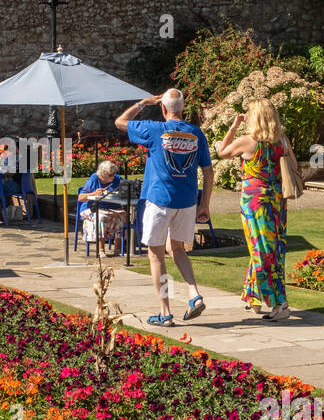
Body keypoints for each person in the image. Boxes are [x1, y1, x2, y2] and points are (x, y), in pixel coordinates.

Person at [115, 89, 214, 327]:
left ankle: (165, 312)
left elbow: (120, 122)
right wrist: (205, 204)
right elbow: (208, 171)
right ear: (183, 109)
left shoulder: (153, 129)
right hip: (187, 201)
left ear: (163, 108)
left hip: (159, 200)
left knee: (156, 254)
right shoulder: (196, 133)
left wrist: (142, 103)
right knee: (178, 249)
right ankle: (194, 293)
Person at [215, 98, 298, 322]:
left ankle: (279, 302)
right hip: (277, 202)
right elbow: (295, 167)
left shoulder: (247, 142)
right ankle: (253, 297)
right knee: (273, 250)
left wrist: (232, 127)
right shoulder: (282, 141)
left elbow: (222, 152)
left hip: (255, 204)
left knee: (261, 252)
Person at [78, 160, 125, 256]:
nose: (113, 176)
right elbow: (81, 197)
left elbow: (127, 186)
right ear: (103, 174)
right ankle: (101, 249)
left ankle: (117, 248)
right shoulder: (93, 180)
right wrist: (94, 193)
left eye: (114, 174)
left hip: (112, 207)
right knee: (101, 218)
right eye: (111, 175)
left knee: (122, 216)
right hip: (93, 208)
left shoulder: (116, 179)